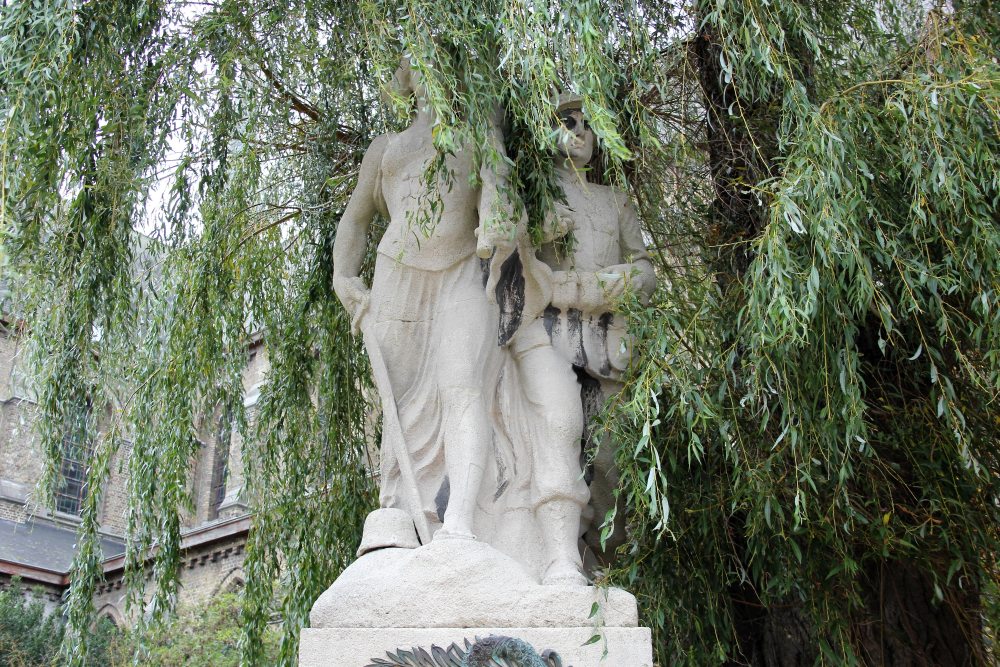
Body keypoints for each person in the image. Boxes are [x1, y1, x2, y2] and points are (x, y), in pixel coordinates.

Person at [332, 57, 514, 545]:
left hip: (462, 271)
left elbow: (498, 191)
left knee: (461, 384)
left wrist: (497, 224)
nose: (430, 69)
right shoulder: (385, 149)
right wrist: (343, 274)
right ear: (406, 80)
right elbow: (355, 220)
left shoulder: (478, 132)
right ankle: (400, 516)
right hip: (397, 278)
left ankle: (458, 520)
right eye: (418, 64)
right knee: (402, 397)